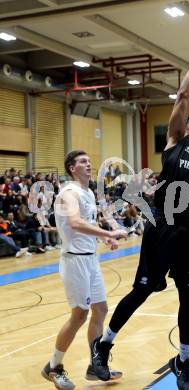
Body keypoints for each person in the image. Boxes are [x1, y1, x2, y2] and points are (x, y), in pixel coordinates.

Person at [91, 39, 189, 390]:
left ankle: (183, 361)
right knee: (142, 291)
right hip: (162, 223)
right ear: (184, 127)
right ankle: (103, 346)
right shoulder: (176, 142)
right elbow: (182, 97)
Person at [41, 150, 128, 390]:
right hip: (74, 261)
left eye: (90, 161)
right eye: (82, 162)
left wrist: (103, 239)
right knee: (79, 315)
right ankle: (53, 367)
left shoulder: (88, 192)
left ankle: (95, 364)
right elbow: (75, 223)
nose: (88, 164)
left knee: (100, 309)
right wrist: (110, 233)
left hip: (90, 259)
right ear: (71, 168)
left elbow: (88, 225)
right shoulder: (69, 193)